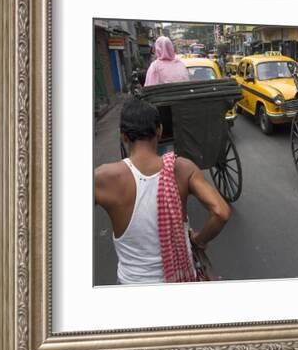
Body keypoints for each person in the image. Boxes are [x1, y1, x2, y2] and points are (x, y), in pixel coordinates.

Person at [94, 98, 231, 284]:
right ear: (159, 131)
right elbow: (221, 212)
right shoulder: (183, 168)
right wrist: (198, 240)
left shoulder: (102, 177)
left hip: (132, 284)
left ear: (123, 136)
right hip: (180, 281)